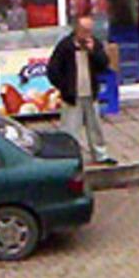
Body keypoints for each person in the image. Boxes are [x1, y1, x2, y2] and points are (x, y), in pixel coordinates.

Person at [47, 15, 117, 165]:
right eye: (84, 31)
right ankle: (69, 156)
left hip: (90, 93)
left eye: (89, 31)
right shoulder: (65, 46)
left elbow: (104, 64)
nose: (87, 35)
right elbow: (53, 69)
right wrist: (63, 86)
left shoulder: (94, 44)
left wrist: (93, 52)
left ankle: (100, 155)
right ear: (77, 30)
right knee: (70, 128)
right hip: (72, 94)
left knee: (95, 127)